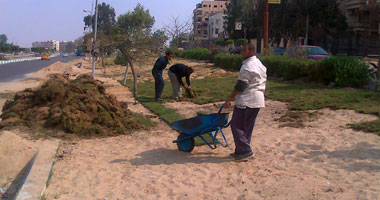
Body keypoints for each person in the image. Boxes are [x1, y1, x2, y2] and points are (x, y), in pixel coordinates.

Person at [224, 44, 267, 161]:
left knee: (236, 126)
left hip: (247, 100)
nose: (242, 52)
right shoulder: (260, 64)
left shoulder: (247, 66)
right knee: (246, 127)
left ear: (251, 51)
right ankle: (240, 151)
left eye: (244, 50)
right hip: (258, 99)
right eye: (242, 50)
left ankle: (245, 151)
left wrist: (229, 99)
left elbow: (241, 85)